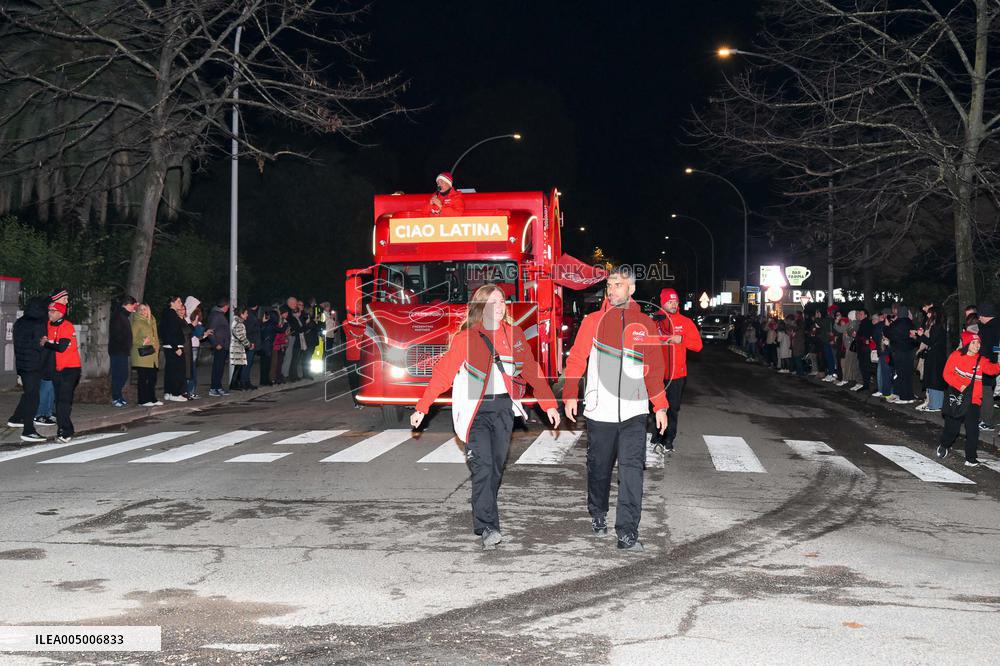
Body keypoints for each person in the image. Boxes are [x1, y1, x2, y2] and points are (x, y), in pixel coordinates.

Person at [410, 284, 560, 550]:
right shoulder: (466, 338)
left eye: (502, 301)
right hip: (474, 411)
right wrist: (423, 406)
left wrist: (548, 404)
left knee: (495, 468)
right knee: (484, 467)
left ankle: (482, 517)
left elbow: (532, 371)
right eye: (493, 302)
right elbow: (443, 373)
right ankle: (490, 526)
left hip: (503, 409)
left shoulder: (514, 334)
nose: (500, 306)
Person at [562, 267, 669, 553]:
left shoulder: (645, 323)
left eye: (618, 285)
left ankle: (627, 533)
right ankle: (597, 511)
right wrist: (571, 393)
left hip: (635, 412)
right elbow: (576, 359)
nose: (612, 289)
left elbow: (654, 369)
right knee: (599, 469)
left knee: (632, 470)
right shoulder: (593, 322)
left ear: (631, 289)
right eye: (609, 285)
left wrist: (660, 405)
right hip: (600, 412)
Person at [937, 331, 1000, 466]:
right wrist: (960, 386)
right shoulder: (956, 356)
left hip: (973, 400)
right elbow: (946, 374)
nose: (977, 346)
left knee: (973, 430)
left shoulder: (980, 360)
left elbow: (992, 370)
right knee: (952, 429)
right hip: (957, 399)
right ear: (966, 344)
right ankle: (944, 444)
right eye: (974, 343)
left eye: (978, 343)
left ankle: (970, 458)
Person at [651, 288, 702, 452]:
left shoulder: (685, 322)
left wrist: (682, 339)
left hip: (677, 375)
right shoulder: (654, 321)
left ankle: (668, 439)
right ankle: (656, 436)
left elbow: (698, 345)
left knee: (672, 408)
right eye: (669, 302)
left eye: (675, 302)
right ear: (662, 303)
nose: (673, 305)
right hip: (656, 374)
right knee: (656, 407)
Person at [6, 297, 49, 442]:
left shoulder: (20, 322)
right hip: (34, 365)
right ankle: (28, 430)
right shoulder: (39, 324)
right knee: (33, 397)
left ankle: (16, 418)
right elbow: (40, 346)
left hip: (22, 364)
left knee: (29, 393)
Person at [41, 302, 82, 442]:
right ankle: (68, 428)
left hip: (70, 369)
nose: (50, 313)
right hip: (57, 369)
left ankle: (64, 432)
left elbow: (62, 347)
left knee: (63, 402)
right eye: (49, 310)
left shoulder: (67, 326)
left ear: (61, 313)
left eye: (53, 311)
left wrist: (46, 343)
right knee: (59, 401)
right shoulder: (48, 325)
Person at [916, 306, 947, 413]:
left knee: (934, 380)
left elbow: (931, 342)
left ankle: (935, 404)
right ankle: (934, 403)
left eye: (929, 313)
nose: (927, 315)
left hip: (936, 357)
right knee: (933, 380)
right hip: (935, 356)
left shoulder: (937, 327)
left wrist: (921, 336)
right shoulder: (937, 326)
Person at [108, 296, 138, 407]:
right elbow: (117, 334)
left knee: (123, 375)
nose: (133, 309)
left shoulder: (123, 315)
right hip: (117, 350)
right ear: (126, 304)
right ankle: (116, 398)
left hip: (122, 351)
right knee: (119, 375)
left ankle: (119, 396)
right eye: (132, 306)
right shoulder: (118, 316)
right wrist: (124, 343)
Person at [131, 303, 162, 407]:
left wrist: (157, 348)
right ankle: (142, 400)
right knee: (143, 378)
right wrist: (142, 341)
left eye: (145, 309)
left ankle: (152, 399)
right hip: (142, 355)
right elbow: (132, 339)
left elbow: (156, 337)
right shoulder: (137, 322)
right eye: (141, 309)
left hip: (152, 354)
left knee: (152, 378)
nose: (143, 311)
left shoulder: (152, 321)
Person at [159, 296, 189, 402]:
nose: (181, 303)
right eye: (179, 301)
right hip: (174, 347)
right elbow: (172, 332)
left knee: (170, 371)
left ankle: (168, 392)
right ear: (172, 303)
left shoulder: (166, 314)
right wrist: (176, 347)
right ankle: (175, 394)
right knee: (177, 371)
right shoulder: (172, 314)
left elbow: (164, 331)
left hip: (169, 346)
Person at [886, 304, 917, 404]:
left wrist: (887, 326)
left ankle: (904, 397)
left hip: (899, 351)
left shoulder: (896, 324)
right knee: (908, 374)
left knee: (901, 374)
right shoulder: (911, 323)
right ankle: (909, 395)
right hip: (910, 351)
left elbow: (888, 333)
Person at [975, 302, 998, 433]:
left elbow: (988, 346)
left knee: (986, 392)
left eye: (980, 316)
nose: (979, 318)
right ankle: (984, 419)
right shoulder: (994, 325)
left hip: (986, 362)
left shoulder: (988, 328)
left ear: (984, 315)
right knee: (985, 390)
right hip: (991, 361)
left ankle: (988, 422)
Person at [207, 298, 231, 396]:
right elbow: (210, 331)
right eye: (228, 306)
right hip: (219, 346)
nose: (228, 308)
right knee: (217, 368)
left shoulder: (219, 315)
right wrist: (216, 344)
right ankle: (214, 388)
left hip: (222, 345)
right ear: (225, 306)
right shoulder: (216, 315)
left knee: (220, 368)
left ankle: (218, 387)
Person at [229, 306, 252, 390]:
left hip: (238, 347)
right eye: (246, 313)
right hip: (237, 348)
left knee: (239, 367)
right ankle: (234, 384)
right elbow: (241, 336)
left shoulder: (237, 322)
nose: (247, 315)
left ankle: (235, 384)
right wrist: (248, 344)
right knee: (238, 367)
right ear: (241, 314)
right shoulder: (239, 324)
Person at [243, 302, 262, 390]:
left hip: (251, 342)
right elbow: (249, 330)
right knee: (247, 363)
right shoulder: (250, 315)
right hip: (250, 343)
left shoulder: (250, 314)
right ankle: (245, 382)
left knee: (249, 363)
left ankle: (246, 382)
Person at [854, 309, 874, 392]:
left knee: (864, 366)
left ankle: (866, 385)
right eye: (860, 313)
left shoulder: (865, 323)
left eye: (862, 314)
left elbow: (865, 336)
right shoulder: (864, 323)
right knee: (864, 366)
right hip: (863, 348)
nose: (860, 315)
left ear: (866, 315)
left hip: (864, 348)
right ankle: (866, 384)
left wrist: (857, 336)